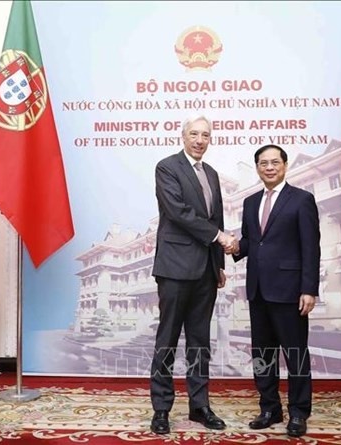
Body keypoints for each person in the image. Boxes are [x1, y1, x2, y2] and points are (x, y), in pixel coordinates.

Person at [149, 115, 235, 435]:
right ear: (183, 136)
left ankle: (200, 407)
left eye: (206, 135)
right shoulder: (167, 167)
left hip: (205, 272)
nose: (200, 140)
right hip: (174, 268)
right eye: (194, 134)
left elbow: (216, 217)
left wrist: (219, 265)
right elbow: (178, 212)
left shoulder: (211, 173)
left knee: (200, 343)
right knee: (167, 341)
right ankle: (161, 409)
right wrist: (220, 238)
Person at [229, 144, 320, 438]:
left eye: (274, 162)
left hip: (290, 291)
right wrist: (230, 245)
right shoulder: (250, 202)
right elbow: (252, 241)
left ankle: (298, 412)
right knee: (262, 356)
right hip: (257, 290)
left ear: (284, 165)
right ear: (257, 168)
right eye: (263, 163)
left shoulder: (302, 200)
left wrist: (309, 288)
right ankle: (269, 408)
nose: (269, 167)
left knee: (295, 355)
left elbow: (311, 247)